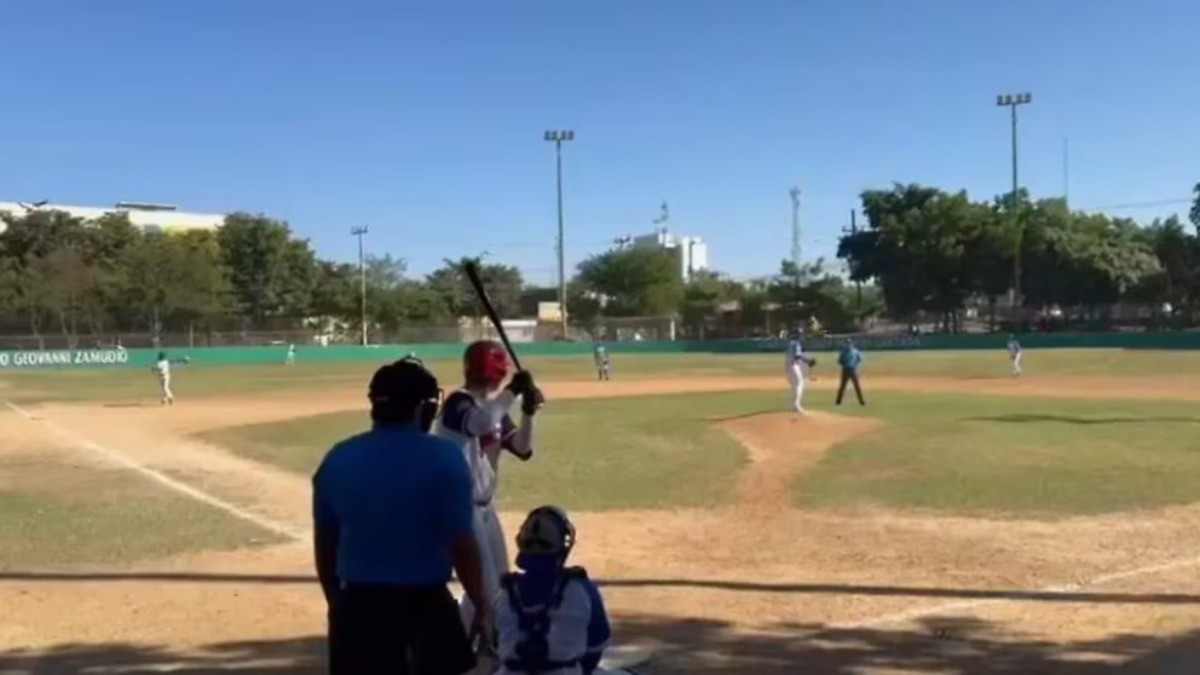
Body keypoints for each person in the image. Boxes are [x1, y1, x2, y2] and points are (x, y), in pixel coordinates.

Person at [313, 357, 490, 675]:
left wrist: (336, 602)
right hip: (425, 607)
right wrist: (480, 602)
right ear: (422, 407)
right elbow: (461, 542)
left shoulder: (338, 459)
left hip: (359, 608)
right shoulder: (443, 457)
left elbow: (326, 543)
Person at [436, 340, 544, 628]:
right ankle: (475, 643)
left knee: (500, 579)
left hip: (484, 507)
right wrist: (513, 392)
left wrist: (529, 413)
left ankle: (490, 640)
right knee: (482, 586)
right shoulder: (458, 403)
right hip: (461, 506)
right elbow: (480, 424)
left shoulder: (492, 408)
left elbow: (522, 448)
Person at [476, 506, 641, 675]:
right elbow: (594, 650)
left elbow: (498, 645)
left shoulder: (503, 594)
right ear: (562, 545)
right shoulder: (583, 589)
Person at [784, 328, 815, 414]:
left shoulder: (791, 343)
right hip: (793, 366)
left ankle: (794, 405)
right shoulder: (796, 343)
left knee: (795, 385)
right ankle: (796, 405)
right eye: (800, 334)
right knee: (799, 383)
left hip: (788, 366)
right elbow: (797, 357)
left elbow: (797, 355)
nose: (801, 336)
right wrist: (808, 361)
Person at [835, 338, 866, 406]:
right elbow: (840, 361)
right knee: (842, 386)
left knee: (857, 386)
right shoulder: (843, 352)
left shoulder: (855, 351)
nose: (848, 344)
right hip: (845, 370)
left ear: (852, 344)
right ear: (845, 344)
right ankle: (838, 401)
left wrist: (854, 365)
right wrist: (845, 364)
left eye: (849, 343)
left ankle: (861, 401)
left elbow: (859, 359)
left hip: (853, 370)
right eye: (847, 343)